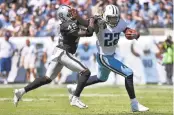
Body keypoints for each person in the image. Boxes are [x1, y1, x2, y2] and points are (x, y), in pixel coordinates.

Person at [67, 5, 149, 112]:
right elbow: (86, 23)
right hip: (104, 57)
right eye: (111, 18)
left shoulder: (120, 22)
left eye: (116, 18)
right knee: (128, 73)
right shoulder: (99, 23)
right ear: (105, 16)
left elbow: (128, 31)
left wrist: (135, 34)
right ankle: (134, 104)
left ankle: (75, 87)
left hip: (109, 56)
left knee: (101, 78)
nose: (114, 20)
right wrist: (78, 17)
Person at [13, 5, 94, 109]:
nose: (72, 15)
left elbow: (84, 23)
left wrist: (88, 19)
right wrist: (92, 20)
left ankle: (20, 91)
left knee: (47, 79)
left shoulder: (68, 24)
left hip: (59, 52)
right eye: (69, 14)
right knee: (86, 72)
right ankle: (75, 98)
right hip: (64, 52)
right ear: (64, 16)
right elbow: (89, 32)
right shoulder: (66, 25)